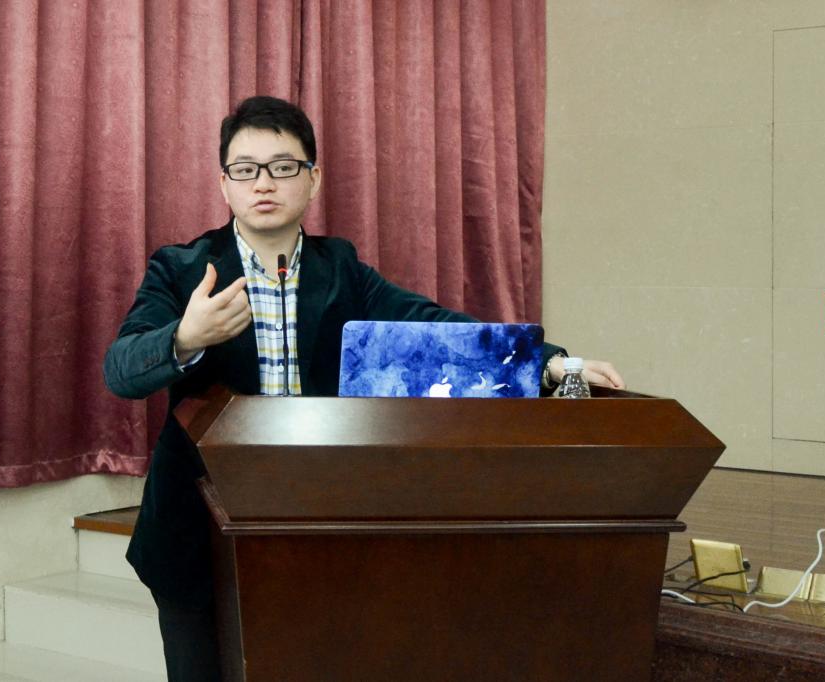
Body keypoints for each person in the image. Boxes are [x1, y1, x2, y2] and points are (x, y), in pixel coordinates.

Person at [103, 95, 624, 680]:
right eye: (245, 169)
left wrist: (550, 363)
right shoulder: (182, 269)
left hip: (315, 523)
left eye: (283, 166)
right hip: (198, 527)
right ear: (225, 184)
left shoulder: (341, 268)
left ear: (313, 178)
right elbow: (121, 370)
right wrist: (184, 337)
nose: (263, 183)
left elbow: (431, 326)